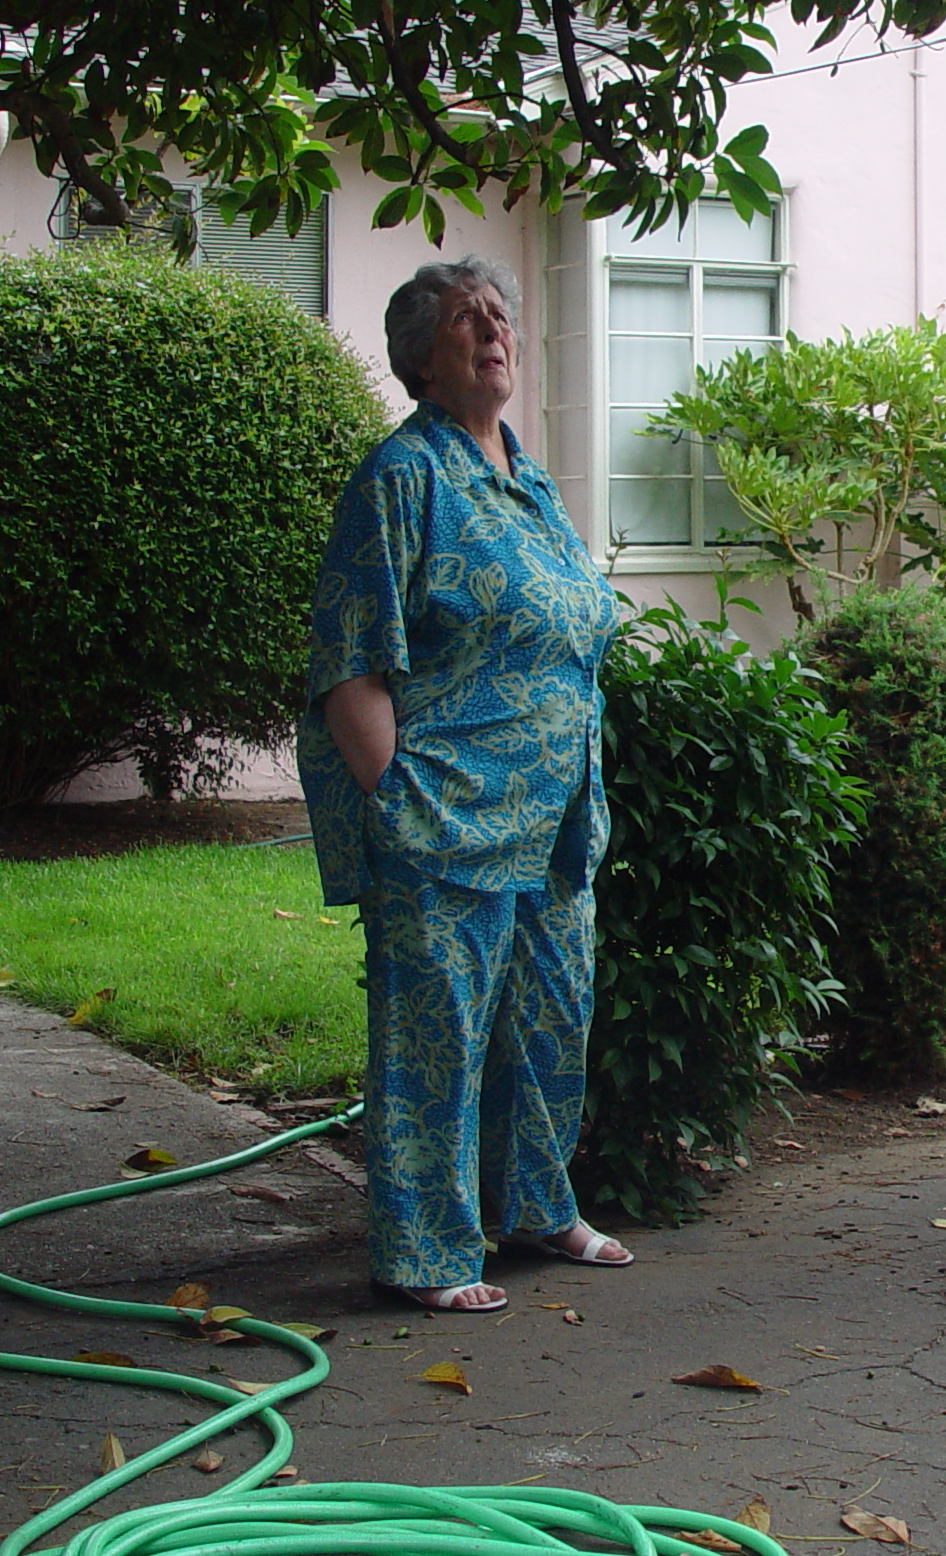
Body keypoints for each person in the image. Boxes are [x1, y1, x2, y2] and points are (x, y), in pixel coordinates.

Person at [298, 255, 630, 1312]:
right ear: (418, 356)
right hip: (446, 812)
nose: (489, 327)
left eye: (497, 314)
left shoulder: (526, 478)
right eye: (460, 319)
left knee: (546, 1020)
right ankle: (429, 1250)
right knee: (434, 1040)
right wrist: (394, 794)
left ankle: (535, 1205)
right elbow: (348, 661)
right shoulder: (401, 479)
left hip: (553, 815)